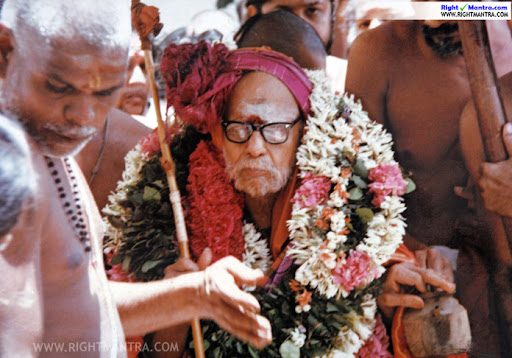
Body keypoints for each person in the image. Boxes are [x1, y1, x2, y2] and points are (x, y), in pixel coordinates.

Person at [103, 39, 455, 356]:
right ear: (216, 135)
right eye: (239, 128)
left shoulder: (340, 204)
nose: (255, 148)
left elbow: (381, 271)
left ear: (305, 133)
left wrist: (381, 288)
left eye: (275, 130)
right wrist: (176, 306)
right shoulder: (178, 210)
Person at [0, 0, 272, 356]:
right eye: (59, 86)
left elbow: (75, 303)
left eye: (103, 92)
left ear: (130, 69)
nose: (83, 116)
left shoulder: (47, 145)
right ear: (5, 50)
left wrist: (192, 295)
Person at [345, 15, 512, 357]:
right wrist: (399, 260)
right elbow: (351, 195)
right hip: (427, 284)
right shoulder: (377, 52)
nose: (438, 17)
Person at [243, 0, 347, 92]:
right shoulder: (232, 81)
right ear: (254, 14)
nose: (301, 25)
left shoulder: (347, 81)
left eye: (312, 10)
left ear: (333, 11)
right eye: (284, 14)